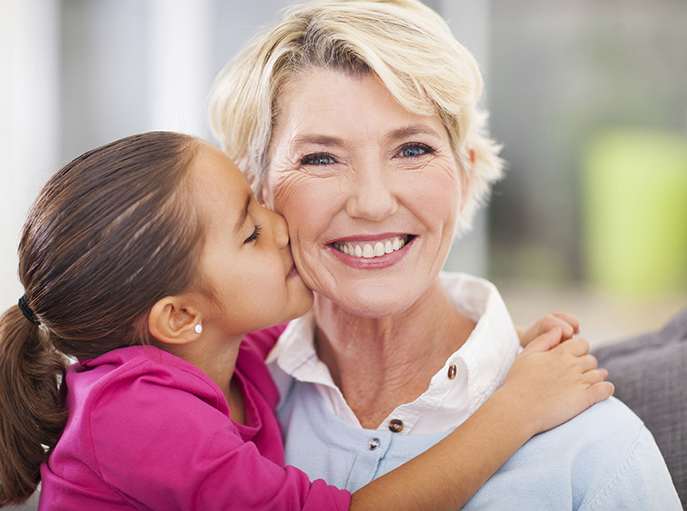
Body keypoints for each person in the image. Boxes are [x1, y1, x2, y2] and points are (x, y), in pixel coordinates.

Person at [208, 0, 682, 508]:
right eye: (320, 158)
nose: (372, 202)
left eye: (412, 149)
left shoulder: (595, 450)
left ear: (466, 174)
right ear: (258, 194)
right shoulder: (213, 420)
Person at [0, 131, 612, 510]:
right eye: (252, 233)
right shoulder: (134, 415)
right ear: (178, 315)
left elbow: (371, 319)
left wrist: (491, 349)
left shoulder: (225, 346)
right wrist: (518, 408)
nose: (280, 226)